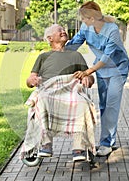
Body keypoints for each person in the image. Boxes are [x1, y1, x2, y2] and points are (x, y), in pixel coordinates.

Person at [66, 1, 129, 156]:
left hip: (117, 69)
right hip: (102, 71)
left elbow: (107, 57)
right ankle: (108, 140)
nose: (82, 21)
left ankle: (106, 143)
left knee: (111, 105)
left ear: (92, 18)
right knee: (103, 105)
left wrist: (88, 71)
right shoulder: (85, 28)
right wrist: (59, 50)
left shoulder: (112, 30)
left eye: (84, 18)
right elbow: (74, 44)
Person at [26, 24, 95, 161]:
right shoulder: (43, 57)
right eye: (60, 30)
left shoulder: (76, 55)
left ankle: (78, 147)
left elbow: (89, 77)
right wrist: (32, 80)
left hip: (70, 89)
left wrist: (87, 78)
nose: (64, 31)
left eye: (64, 29)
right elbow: (29, 80)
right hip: (49, 89)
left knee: (82, 102)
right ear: (50, 38)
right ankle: (46, 144)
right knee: (42, 99)